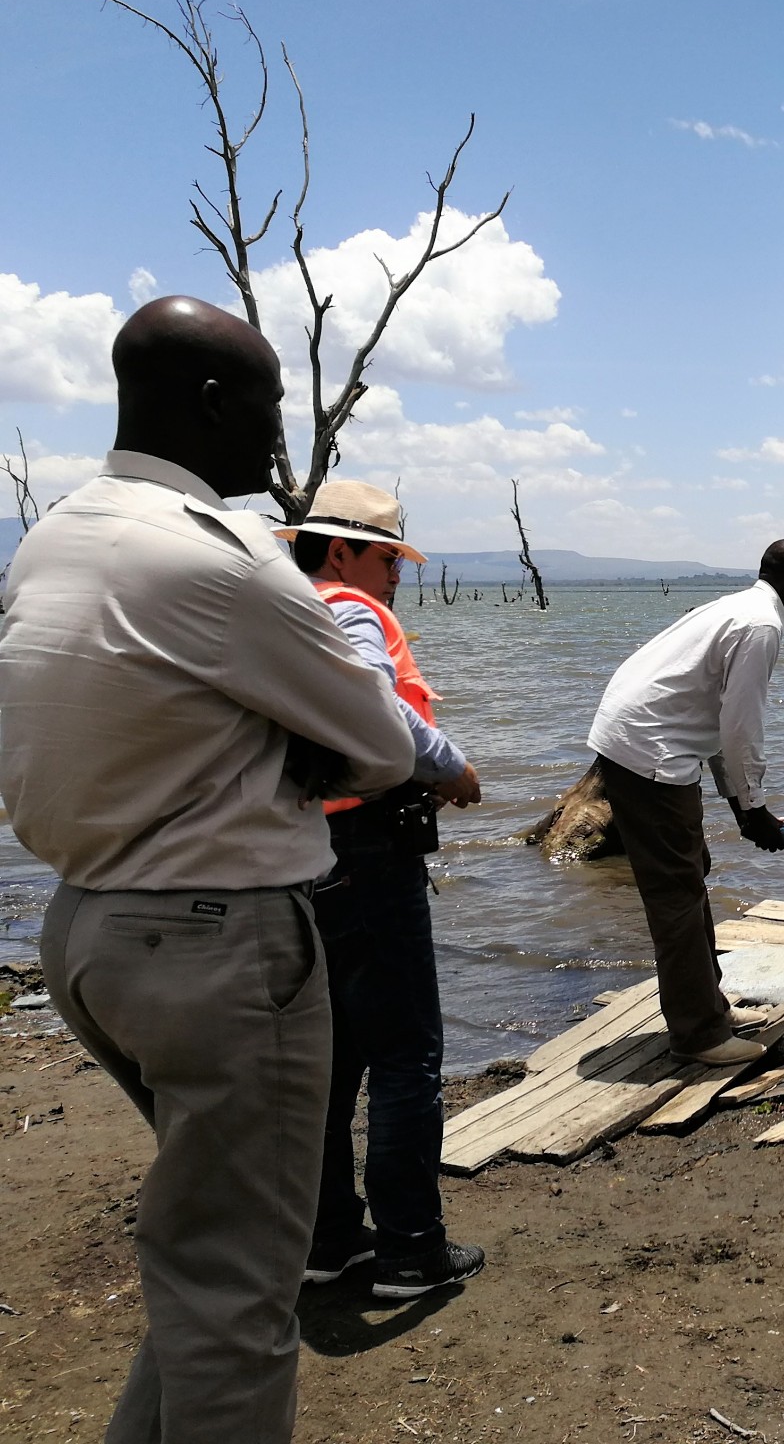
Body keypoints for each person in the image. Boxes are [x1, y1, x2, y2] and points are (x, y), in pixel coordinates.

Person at [0, 296, 415, 1443]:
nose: (280, 442)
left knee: (204, 1265)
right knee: (241, 1297)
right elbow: (380, 747)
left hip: (85, 938)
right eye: (272, 409)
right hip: (221, 949)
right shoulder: (223, 563)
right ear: (215, 403)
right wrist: (294, 745)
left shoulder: (58, 535)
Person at [278, 481, 487, 1300]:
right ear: (341, 551)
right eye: (388, 556)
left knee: (332, 1057)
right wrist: (453, 767)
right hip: (368, 847)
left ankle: (330, 1239)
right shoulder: (348, 610)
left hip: (308, 849)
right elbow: (378, 710)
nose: (398, 573)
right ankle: (409, 1251)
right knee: (407, 1057)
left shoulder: (285, 615)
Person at [586, 540, 784, 1065]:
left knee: (693, 868)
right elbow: (742, 728)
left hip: (639, 737)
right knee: (675, 890)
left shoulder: (740, 609)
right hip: (649, 748)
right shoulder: (762, 625)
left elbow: (721, 725)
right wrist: (754, 806)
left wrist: (742, 806)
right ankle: (698, 1035)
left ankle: (708, 1006)